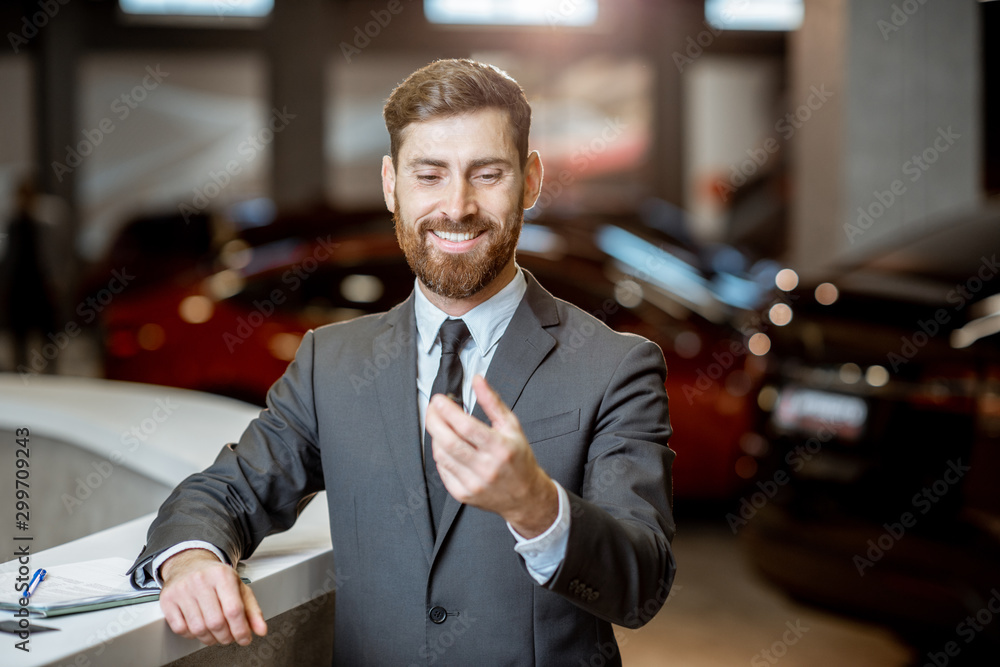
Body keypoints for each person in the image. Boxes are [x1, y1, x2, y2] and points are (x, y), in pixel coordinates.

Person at [129, 58, 676, 665]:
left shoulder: (616, 366)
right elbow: (225, 493)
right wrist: (191, 556)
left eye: (487, 174)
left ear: (531, 179)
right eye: (429, 174)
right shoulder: (329, 363)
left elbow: (643, 583)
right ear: (392, 184)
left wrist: (535, 505)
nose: (457, 205)